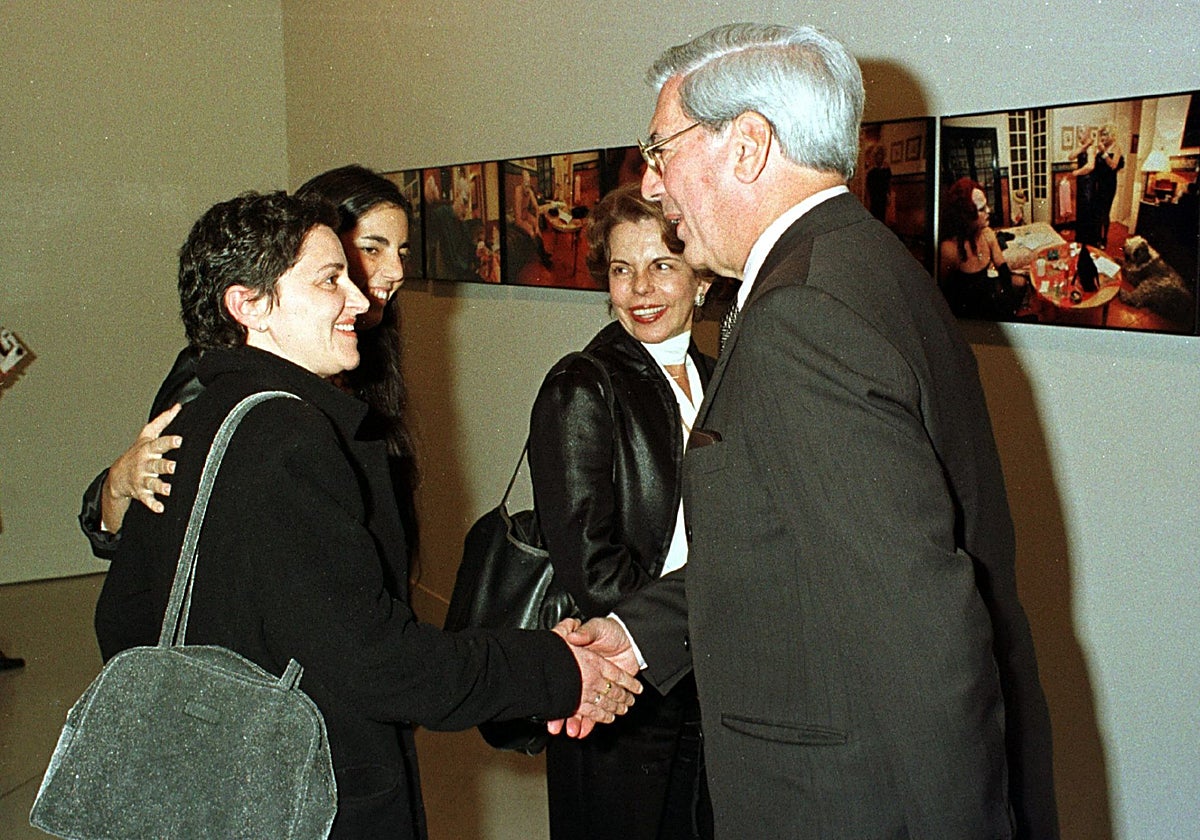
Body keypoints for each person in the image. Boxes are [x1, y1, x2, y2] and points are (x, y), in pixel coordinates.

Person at [559, 23, 1059, 839]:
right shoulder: (863, 265)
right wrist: (632, 636)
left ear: (748, 145)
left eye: (661, 150)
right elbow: (799, 550)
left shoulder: (802, 317)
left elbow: (920, 640)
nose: (652, 185)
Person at [94, 191, 641, 840]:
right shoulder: (286, 438)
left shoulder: (195, 418)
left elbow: (121, 618)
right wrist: (555, 668)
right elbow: (380, 663)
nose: (359, 299)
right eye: (331, 280)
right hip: (312, 797)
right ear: (249, 306)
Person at [78, 165, 419, 560]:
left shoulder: (365, 353)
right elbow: (157, 528)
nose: (395, 272)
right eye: (371, 249)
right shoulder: (221, 371)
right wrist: (114, 488)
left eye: (402, 252)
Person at [529, 183, 715, 840]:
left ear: (699, 276)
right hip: (625, 684)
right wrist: (672, 641)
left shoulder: (724, 376)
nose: (639, 288)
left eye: (661, 264)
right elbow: (589, 563)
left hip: (708, 672)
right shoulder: (583, 383)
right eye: (620, 268)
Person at [939, 176, 1029, 320]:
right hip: (966, 308)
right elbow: (939, 293)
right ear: (966, 216)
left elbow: (1002, 266)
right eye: (981, 209)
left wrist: (1008, 303)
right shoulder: (949, 250)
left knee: (1021, 282)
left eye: (986, 205)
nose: (989, 210)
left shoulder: (987, 234)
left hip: (986, 290)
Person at [1071, 124, 1124, 248]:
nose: (1103, 137)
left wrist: (1104, 153)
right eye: (1101, 134)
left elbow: (1113, 166)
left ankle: (1104, 239)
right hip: (1097, 183)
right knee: (1095, 213)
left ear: (1111, 135)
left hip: (1108, 185)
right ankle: (1096, 237)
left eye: (1105, 134)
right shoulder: (1099, 148)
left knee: (1104, 213)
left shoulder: (1117, 148)